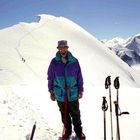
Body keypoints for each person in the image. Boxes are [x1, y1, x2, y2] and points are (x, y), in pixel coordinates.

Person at [47, 40, 86, 139]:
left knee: (75, 114)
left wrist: (81, 90)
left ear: (67, 48)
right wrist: (51, 91)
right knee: (64, 115)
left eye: (64, 48)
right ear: (58, 49)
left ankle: (79, 132)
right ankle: (67, 131)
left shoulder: (74, 61)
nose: (62, 50)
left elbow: (79, 76)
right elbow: (50, 77)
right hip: (60, 93)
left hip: (72, 93)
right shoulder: (54, 62)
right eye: (60, 48)